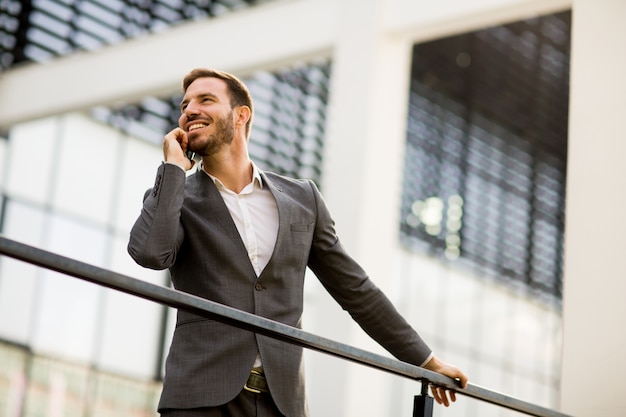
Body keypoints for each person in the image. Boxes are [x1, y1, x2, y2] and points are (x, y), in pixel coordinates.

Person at [128, 68, 468, 417]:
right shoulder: (174, 197)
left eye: (206, 100)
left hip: (282, 403)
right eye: (185, 105)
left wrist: (426, 360)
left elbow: (355, 288)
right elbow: (151, 254)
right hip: (200, 400)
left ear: (241, 115)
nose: (189, 111)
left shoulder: (302, 199)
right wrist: (172, 168)